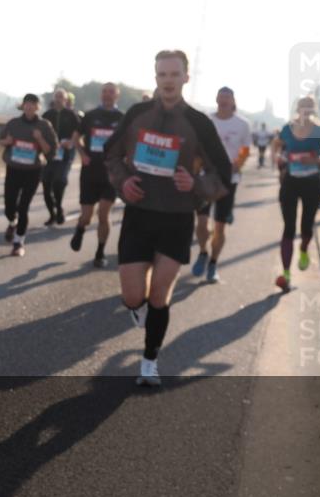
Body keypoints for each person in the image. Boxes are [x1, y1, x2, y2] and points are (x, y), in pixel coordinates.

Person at [105, 50, 231, 386]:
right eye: (162, 75)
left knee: (160, 297)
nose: (168, 81)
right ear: (156, 77)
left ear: (186, 78)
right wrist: (123, 181)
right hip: (139, 215)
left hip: (176, 219)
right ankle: (139, 310)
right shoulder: (137, 114)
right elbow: (111, 155)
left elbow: (224, 172)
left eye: (175, 74)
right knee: (133, 297)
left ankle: (149, 362)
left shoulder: (199, 123)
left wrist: (197, 185)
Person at [271, 96, 320, 291]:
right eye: (303, 107)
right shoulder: (287, 128)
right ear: (298, 109)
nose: (306, 111)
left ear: (314, 110)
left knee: (306, 227)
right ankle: (286, 274)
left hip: (312, 184)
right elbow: (276, 146)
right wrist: (278, 159)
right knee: (288, 227)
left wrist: (316, 161)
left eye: (309, 108)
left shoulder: (319, 131)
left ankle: (303, 249)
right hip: (290, 183)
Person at [191, 87, 253, 283]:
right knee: (201, 223)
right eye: (221, 97)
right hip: (206, 177)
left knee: (220, 227)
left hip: (228, 180)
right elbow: (196, 145)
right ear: (216, 99)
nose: (224, 100)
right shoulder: (207, 120)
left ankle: (213, 263)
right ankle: (203, 252)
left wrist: (238, 164)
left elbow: (245, 148)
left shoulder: (242, 124)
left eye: (227, 97)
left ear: (233, 101)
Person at [70, 82, 124, 268]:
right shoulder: (91, 116)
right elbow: (76, 138)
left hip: (110, 175)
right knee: (86, 216)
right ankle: (80, 229)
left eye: (111, 92)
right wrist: (83, 154)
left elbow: (129, 144)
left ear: (117, 95)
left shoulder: (122, 118)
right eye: (104, 92)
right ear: (101, 95)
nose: (107, 95)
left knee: (103, 213)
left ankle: (100, 252)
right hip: (90, 172)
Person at [0, 94, 58, 257]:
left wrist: (40, 139)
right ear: (23, 106)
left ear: (38, 107)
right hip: (14, 169)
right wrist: (7, 142)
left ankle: (18, 242)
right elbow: (1, 141)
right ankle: (12, 222)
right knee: (9, 206)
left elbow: (51, 152)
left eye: (33, 104)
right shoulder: (14, 123)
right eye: (27, 104)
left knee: (23, 206)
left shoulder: (44, 126)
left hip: (33, 171)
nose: (29, 107)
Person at [41, 88, 82, 226]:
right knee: (46, 184)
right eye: (56, 96)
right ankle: (52, 214)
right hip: (49, 154)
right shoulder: (47, 114)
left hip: (65, 153)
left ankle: (59, 207)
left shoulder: (71, 114)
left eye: (61, 97)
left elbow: (80, 131)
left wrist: (71, 142)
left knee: (59, 180)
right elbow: (40, 131)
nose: (58, 99)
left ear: (65, 100)